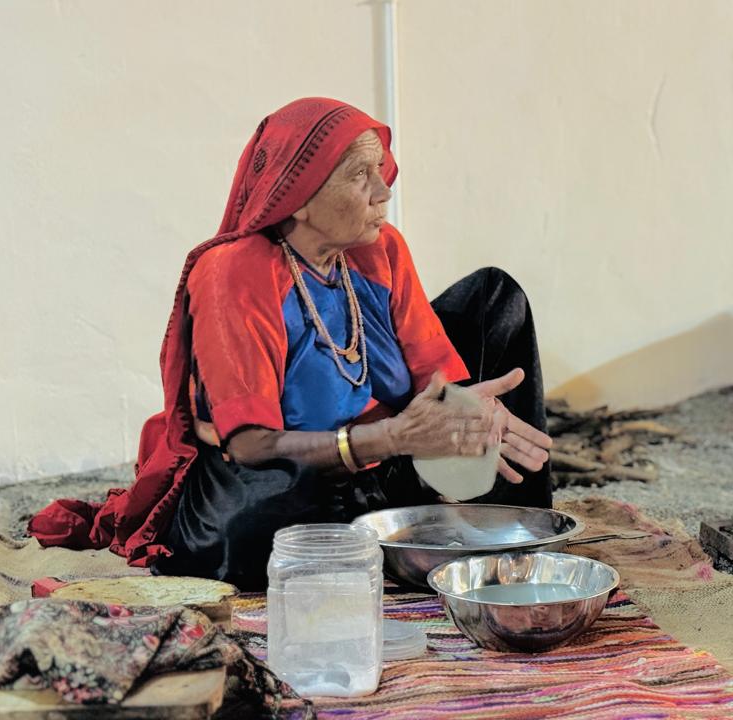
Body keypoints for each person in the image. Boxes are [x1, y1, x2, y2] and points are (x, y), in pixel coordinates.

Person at [29, 98, 553, 590]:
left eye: (380, 170)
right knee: (251, 527)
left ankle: (519, 532)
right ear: (298, 194)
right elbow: (251, 446)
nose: (383, 191)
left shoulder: (380, 250)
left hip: (382, 461)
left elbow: (434, 375)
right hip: (285, 471)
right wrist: (391, 437)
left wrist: (465, 414)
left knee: (494, 296)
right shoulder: (233, 271)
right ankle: (385, 527)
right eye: (359, 174)